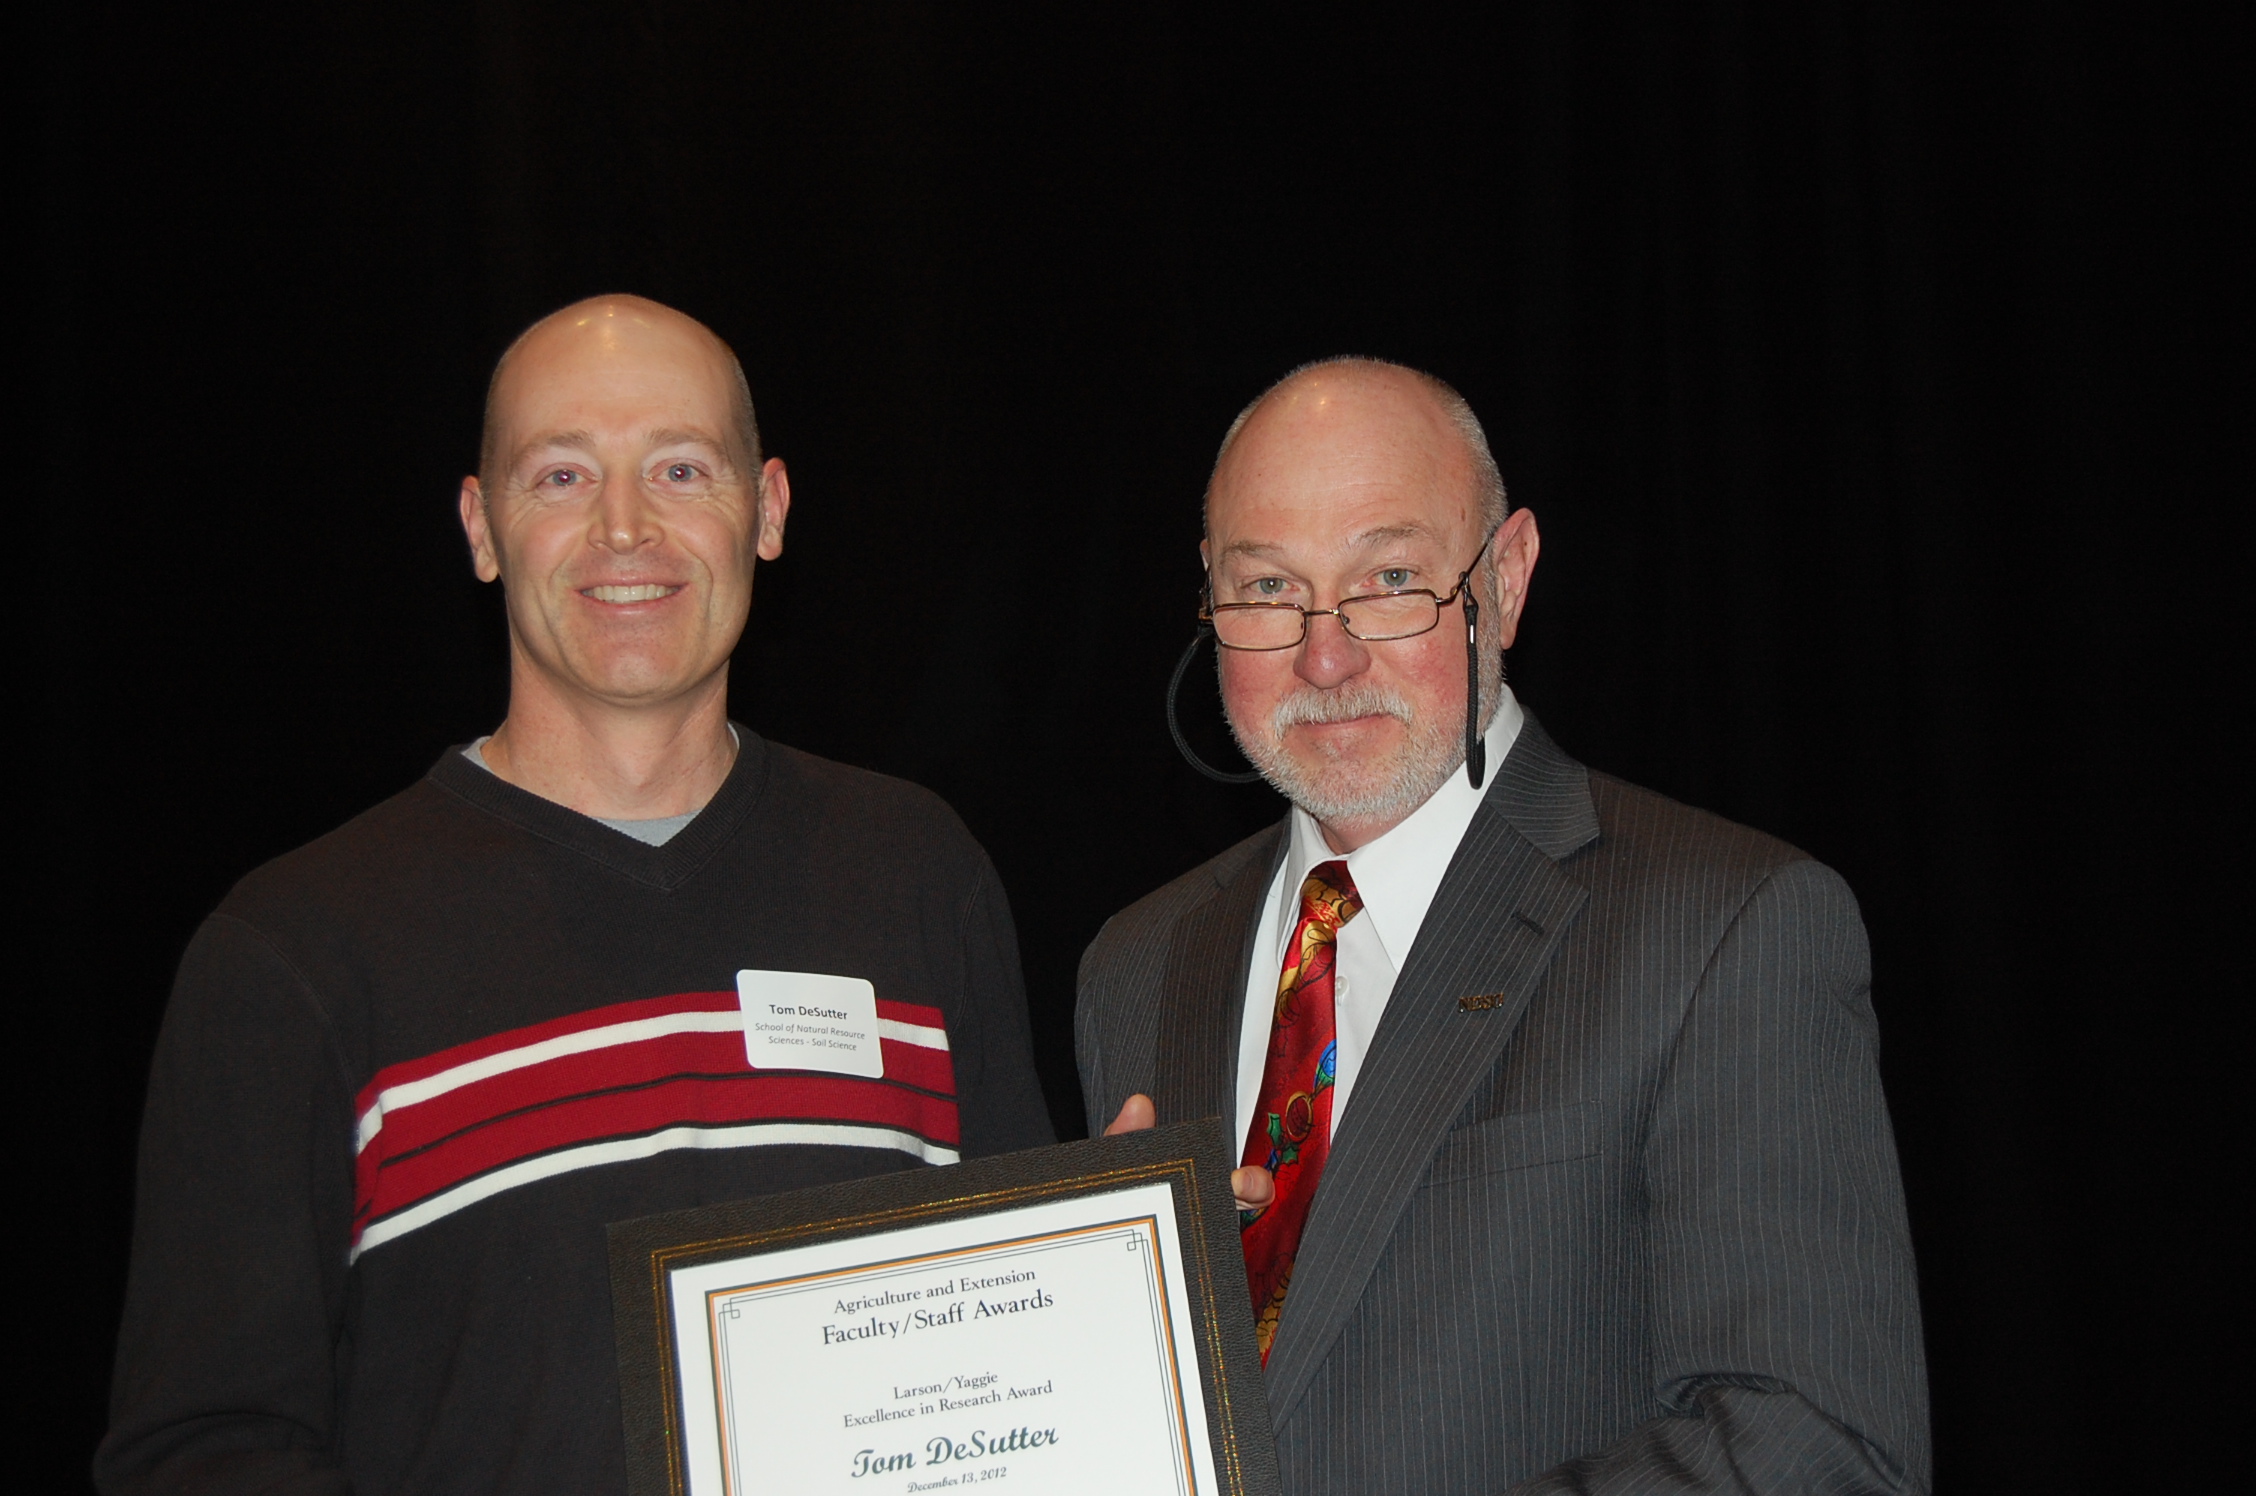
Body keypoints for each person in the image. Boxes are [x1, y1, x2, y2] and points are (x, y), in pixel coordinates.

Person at [97, 296, 1053, 1494]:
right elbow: (204, 1446)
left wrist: (1123, 1255)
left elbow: (1019, 1344)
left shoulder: (916, 870)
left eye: (679, 466)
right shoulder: (292, 949)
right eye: (560, 475)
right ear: (480, 524)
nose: (624, 527)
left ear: (767, 510)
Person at [1080, 359, 1929, 1494]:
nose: (1325, 656)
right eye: (1270, 589)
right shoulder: (1133, 969)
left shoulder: (1728, 925)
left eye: (1389, 577)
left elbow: (1822, 1447)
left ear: (1510, 577)